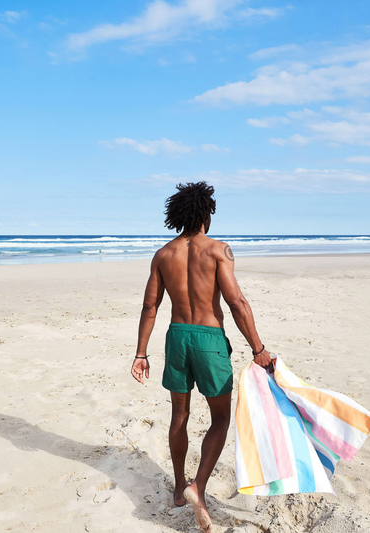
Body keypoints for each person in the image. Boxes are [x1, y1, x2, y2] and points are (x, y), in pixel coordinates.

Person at [131, 181, 271, 532]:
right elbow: (236, 303)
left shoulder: (163, 254)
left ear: (177, 216)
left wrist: (141, 352)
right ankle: (199, 486)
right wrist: (258, 349)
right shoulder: (218, 251)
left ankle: (179, 488)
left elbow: (151, 306)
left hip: (177, 337)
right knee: (220, 418)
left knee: (179, 413)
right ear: (207, 212)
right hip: (209, 338)